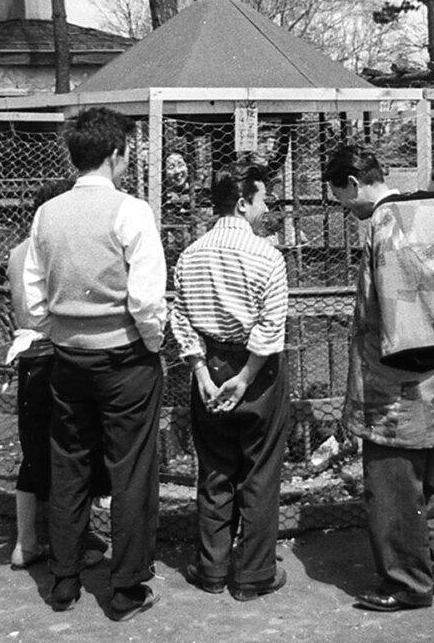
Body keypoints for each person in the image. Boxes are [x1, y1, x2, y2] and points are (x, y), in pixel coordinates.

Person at [323, 145, 434, 613]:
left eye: (340, 196)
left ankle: (406, 582)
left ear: (354, 183)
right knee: (428, 476)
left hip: (393, 383)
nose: (344, 206)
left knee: (392, 486)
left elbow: (388, 306)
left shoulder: (383, 223)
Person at [23, 106, 168, 621]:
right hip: (125, 356)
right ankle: (126, 587)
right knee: (131, 470)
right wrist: (152, 343)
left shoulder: (47, 213)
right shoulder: (132, 211)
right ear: (116, 153)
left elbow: (34, 296)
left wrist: (61, 330)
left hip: (68, 357)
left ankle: (64, 579)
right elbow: (146, 299)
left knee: (69, 463)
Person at [170, 162, 290, 602]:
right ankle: (255, 573)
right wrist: (246, 377)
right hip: (256, 371)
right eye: (261, 200)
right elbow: (271, 325)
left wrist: (201, 371)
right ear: (242, 203)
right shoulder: (267, 256)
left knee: (215, 466)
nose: (266, 208)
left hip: (210, 364)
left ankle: (212, 567)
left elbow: (181, 318)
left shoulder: (190, 255)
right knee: (260, 469)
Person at [5, 179, 109, 572]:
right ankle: (73, 543)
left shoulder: (17, 252)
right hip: (59, 353)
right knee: (73, 448)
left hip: (28, 356)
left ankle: (25, 542)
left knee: (33, 452)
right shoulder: (59, 248)